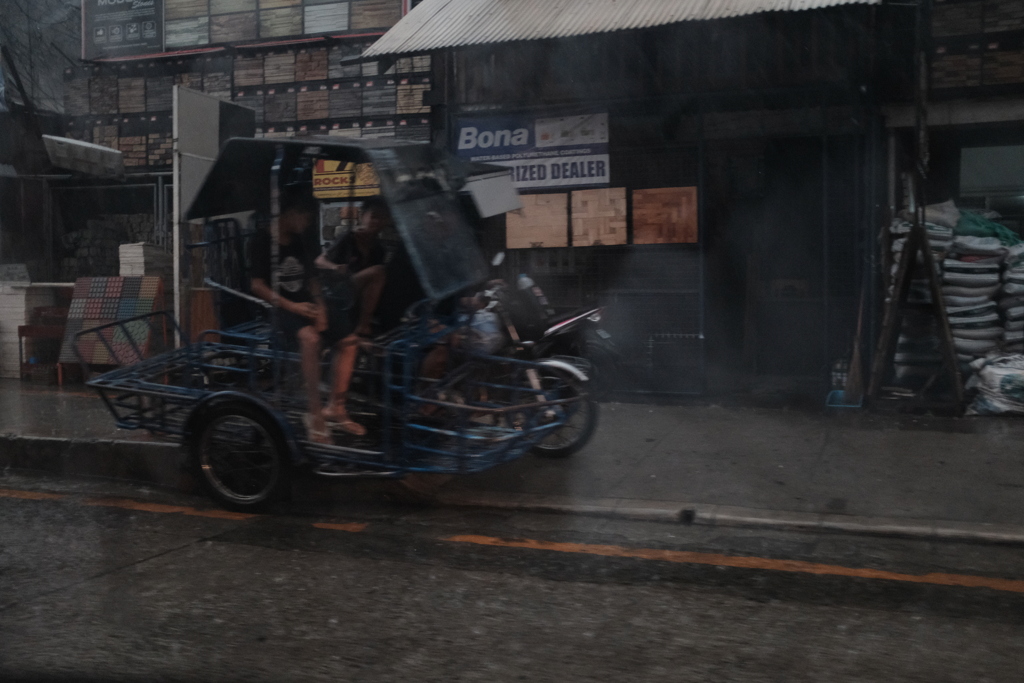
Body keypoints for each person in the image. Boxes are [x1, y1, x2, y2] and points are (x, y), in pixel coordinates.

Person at [249, 186, 339, 443]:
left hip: (305, 304)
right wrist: (294, 307)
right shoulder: (262, 241)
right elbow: (257, 285)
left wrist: (320, 305)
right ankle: (313, 412)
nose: (307, 223)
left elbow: (312, 279)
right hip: (278, 308)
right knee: (310, 339)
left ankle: (337, 405)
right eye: (305, 217)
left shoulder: (300, 240)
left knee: (346, 334)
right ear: (288, 214)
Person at [314, 196, 393, 435]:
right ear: (363, 215)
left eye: (381, 218)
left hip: (353, 297)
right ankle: (363, 327)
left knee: (381, 275)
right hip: (337, 292)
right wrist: (335, 268)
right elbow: (319, 261)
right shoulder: (348, 238)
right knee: (379, 273)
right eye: (373, 216)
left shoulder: (378, 247)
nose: (376, 222)